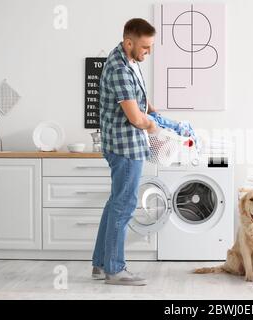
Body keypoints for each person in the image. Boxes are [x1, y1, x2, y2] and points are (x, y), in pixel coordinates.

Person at [91, 18, 158, 286]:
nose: (148, 52)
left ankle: (100, 264)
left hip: (125, 145)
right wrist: (151, 125)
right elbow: (134, 117)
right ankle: (115, 270)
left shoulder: (130, 61)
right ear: (128, 42)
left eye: (151, 47)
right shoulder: (118, 67)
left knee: (115, 204)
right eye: (145, 47)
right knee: (124, 205)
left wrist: (155, 113)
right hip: (125, 147)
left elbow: (139, 98)